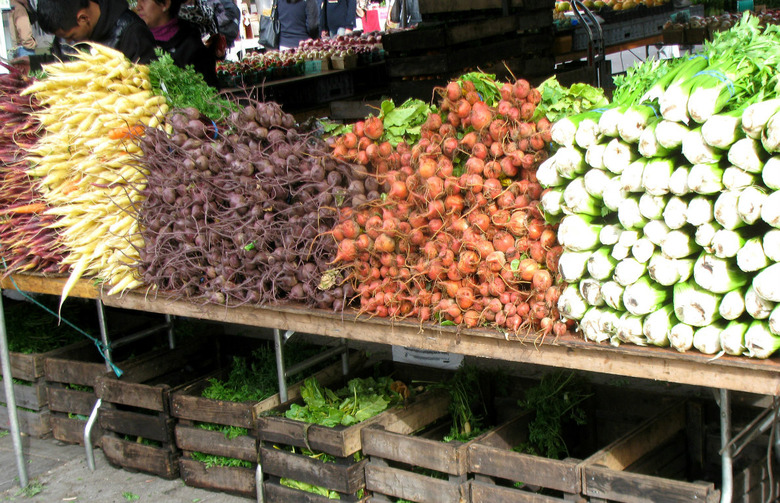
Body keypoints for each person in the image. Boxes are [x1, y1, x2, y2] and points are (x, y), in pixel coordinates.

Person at [35, 0, 157, 63]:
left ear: (83, 18)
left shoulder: (132, 32)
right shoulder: (63, 34)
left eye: (71, 36)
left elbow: (146, 85)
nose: (67, 42)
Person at [136, 0, 220, 88]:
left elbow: (210, 89)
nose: (138, 7)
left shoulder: (192, 46)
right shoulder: (135, 38)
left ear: (166, 4)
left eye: (144, 0)